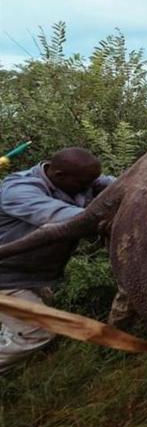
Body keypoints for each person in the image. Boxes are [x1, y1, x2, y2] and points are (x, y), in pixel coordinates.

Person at [0, 147, 114, 372]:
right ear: (60, 176)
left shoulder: (78, 178)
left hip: (33, 275)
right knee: (37, 333)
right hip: (6, 279)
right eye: (85, 183)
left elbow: (114, 183)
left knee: (22, 320)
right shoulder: (18, 192)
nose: (90, 186)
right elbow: (69, 219)